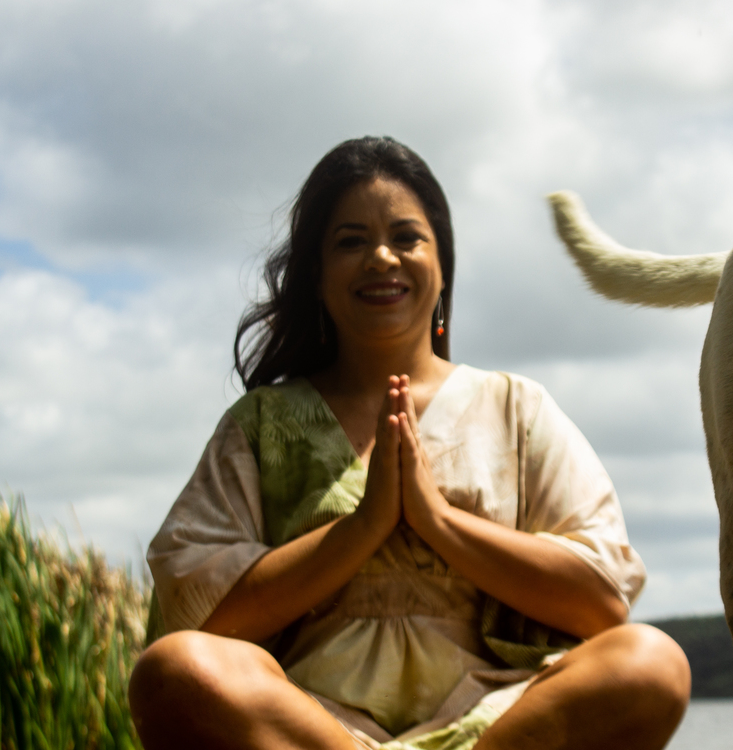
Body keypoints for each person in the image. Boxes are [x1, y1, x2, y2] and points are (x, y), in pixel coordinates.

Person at [127, 136, 691, 750]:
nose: (381, 257)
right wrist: (363, 526)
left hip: (500, 726)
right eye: (350, 242)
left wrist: (437, 520)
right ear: (317, 275)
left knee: (651, 662)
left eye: (406, 238)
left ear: (442, 266)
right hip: (313, 727)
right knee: (175, 671)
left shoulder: (515, 408)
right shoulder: (263, 423)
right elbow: (200, 615)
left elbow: (601, 604)